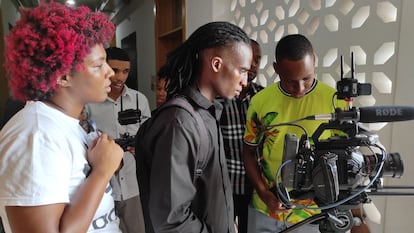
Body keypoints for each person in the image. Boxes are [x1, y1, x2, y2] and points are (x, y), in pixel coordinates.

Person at [0, 2, 123, 233]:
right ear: (63, 77)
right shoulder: (36, 137)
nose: (109, 72)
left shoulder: (66, 122)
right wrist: (102, 171)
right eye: (98, 65)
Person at [135, 21, 253, 233]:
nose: (246, 81)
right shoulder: (179, 122)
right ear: (216, 64)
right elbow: (171, 219)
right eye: (242, 71)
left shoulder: (207, 113)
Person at [242, 34, 347, 232]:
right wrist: (264, 193)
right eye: (290, 81)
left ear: (314, 61)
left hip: (314, 215)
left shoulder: (336, 101)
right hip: (265, 210)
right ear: (276, 69)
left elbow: (347, 161)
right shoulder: (260, 101)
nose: (299, 90)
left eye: (306, 79)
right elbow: (248, 152)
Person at [84, 47, 150, 233]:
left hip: (133, 183)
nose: (120, 77)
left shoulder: (140, 100)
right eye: (115, 70)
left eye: (125, 71)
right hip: (103, 186)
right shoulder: (89, 103)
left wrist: (142, 147)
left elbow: (147, 136)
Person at [218, 38, 264, 233]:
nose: (253, 65)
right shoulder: (219, 97)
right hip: (224, 184)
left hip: (256, 185)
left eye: (258, 60)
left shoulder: (264, 97)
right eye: (250, 59)